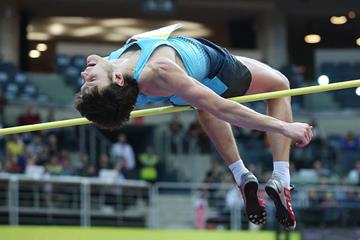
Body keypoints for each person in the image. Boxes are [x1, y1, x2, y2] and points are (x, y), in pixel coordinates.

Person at [74, 24, 313, 230]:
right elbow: (224, 109)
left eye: (85, 80)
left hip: (184, 83)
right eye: (91, 79)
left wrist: (95, 95)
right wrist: (285, 128)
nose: (85, 72)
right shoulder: (158, 71)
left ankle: (242, 176)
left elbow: (107, 106)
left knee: (201, 104)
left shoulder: (118, 73)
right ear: (117, 79)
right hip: (215, 70)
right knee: (280, 85)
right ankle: (281, 178)